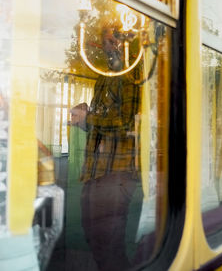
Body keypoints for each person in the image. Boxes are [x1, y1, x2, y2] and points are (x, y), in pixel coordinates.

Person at [79, 26, 141, 271]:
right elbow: (101, 123)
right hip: (95, 169)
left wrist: (89, 119)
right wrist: (84, 116)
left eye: (115, 40)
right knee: (93, 237)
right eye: (106, 41)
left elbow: (126, 122)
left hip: (118, 171)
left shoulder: (132, 75)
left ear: (128, 42)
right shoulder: (103, 77)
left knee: (108, 243)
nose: (110, 46)